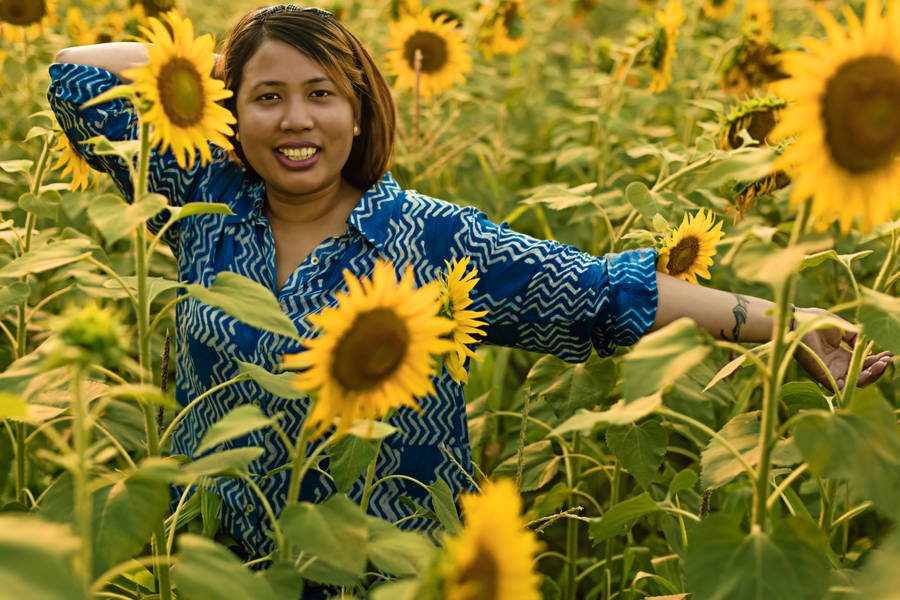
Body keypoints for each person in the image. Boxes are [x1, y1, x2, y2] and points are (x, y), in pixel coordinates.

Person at [50, 1, 892, 581]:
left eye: (322, 95)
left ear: (361, 109)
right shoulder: (204, 204)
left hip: (394, 570)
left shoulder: (430, 236)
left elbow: (600, 294)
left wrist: (782, 322)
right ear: (234, 114)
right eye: (267, 99)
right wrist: (209, 63)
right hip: (220, 565)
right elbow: (77, 78)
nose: (297, 121)